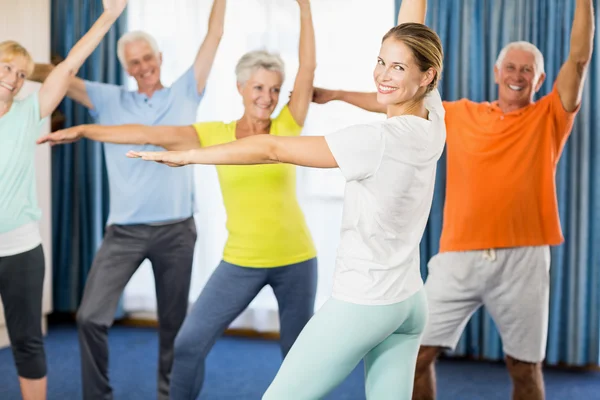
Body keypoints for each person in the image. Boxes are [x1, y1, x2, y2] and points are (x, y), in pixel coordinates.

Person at [118, 0, 444, 398]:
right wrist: (344, 92)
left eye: (398, 67)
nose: (382, 74)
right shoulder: (433, 116)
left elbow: (271, 148)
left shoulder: (376, 140)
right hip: (409, 300)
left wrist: (188, 157)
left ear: (428, 75)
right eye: (381, 61)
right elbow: (413, 22)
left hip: (365, 302)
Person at [309, 1, 595, 399]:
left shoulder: (550, 116)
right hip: (457, 256)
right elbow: (394, 98)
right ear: (497, 72)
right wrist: (334, 94)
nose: (517, 75)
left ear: (540, 77)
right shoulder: (458, 114)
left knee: (524, 369)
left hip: (524, 259)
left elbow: (579, 61)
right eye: (510, 67)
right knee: (416, 355)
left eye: (526, 69)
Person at [37, 0, 318, 398]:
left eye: (274, 89)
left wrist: (305, 7)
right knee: (187, 345)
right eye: (258, 87)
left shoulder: (289, 124)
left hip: (296, 259)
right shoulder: (214, 132)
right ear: (240, 88)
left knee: (298, 355)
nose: (267, 96)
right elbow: (141, 132)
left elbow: (307, 68)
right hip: (240, 260)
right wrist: (85, 130)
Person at [31, 1, 226, 399]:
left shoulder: (188, 90)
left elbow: (214, 36)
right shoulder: (108, 98)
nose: (143, 67)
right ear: (126, 67)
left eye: (148, 58)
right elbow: (58, 76)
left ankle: (170, 394)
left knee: (174, 326)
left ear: (160, 57)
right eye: (134, 62)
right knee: (89, 318)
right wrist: (16, 66)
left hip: (176, 230)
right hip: (123, 232)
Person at [0, 1, 127, 399]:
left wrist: (108, 16)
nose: (14, 78)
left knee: (27, 340)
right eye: (6, 67)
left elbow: (69, 65)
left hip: (19, 246)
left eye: (21, 73)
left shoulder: (29, 111)